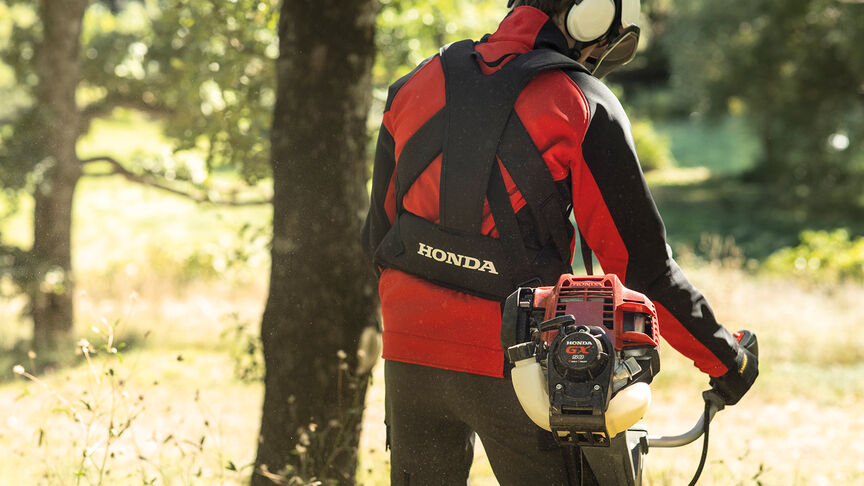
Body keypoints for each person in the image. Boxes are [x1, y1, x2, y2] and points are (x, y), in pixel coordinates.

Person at [361, 1, 758, 484]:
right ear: (590, 15)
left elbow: (378, 238)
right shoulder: (580, 101)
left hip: (410, 354)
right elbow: (642, 268)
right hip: (520, 362)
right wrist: (725, 358)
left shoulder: (415, 82)